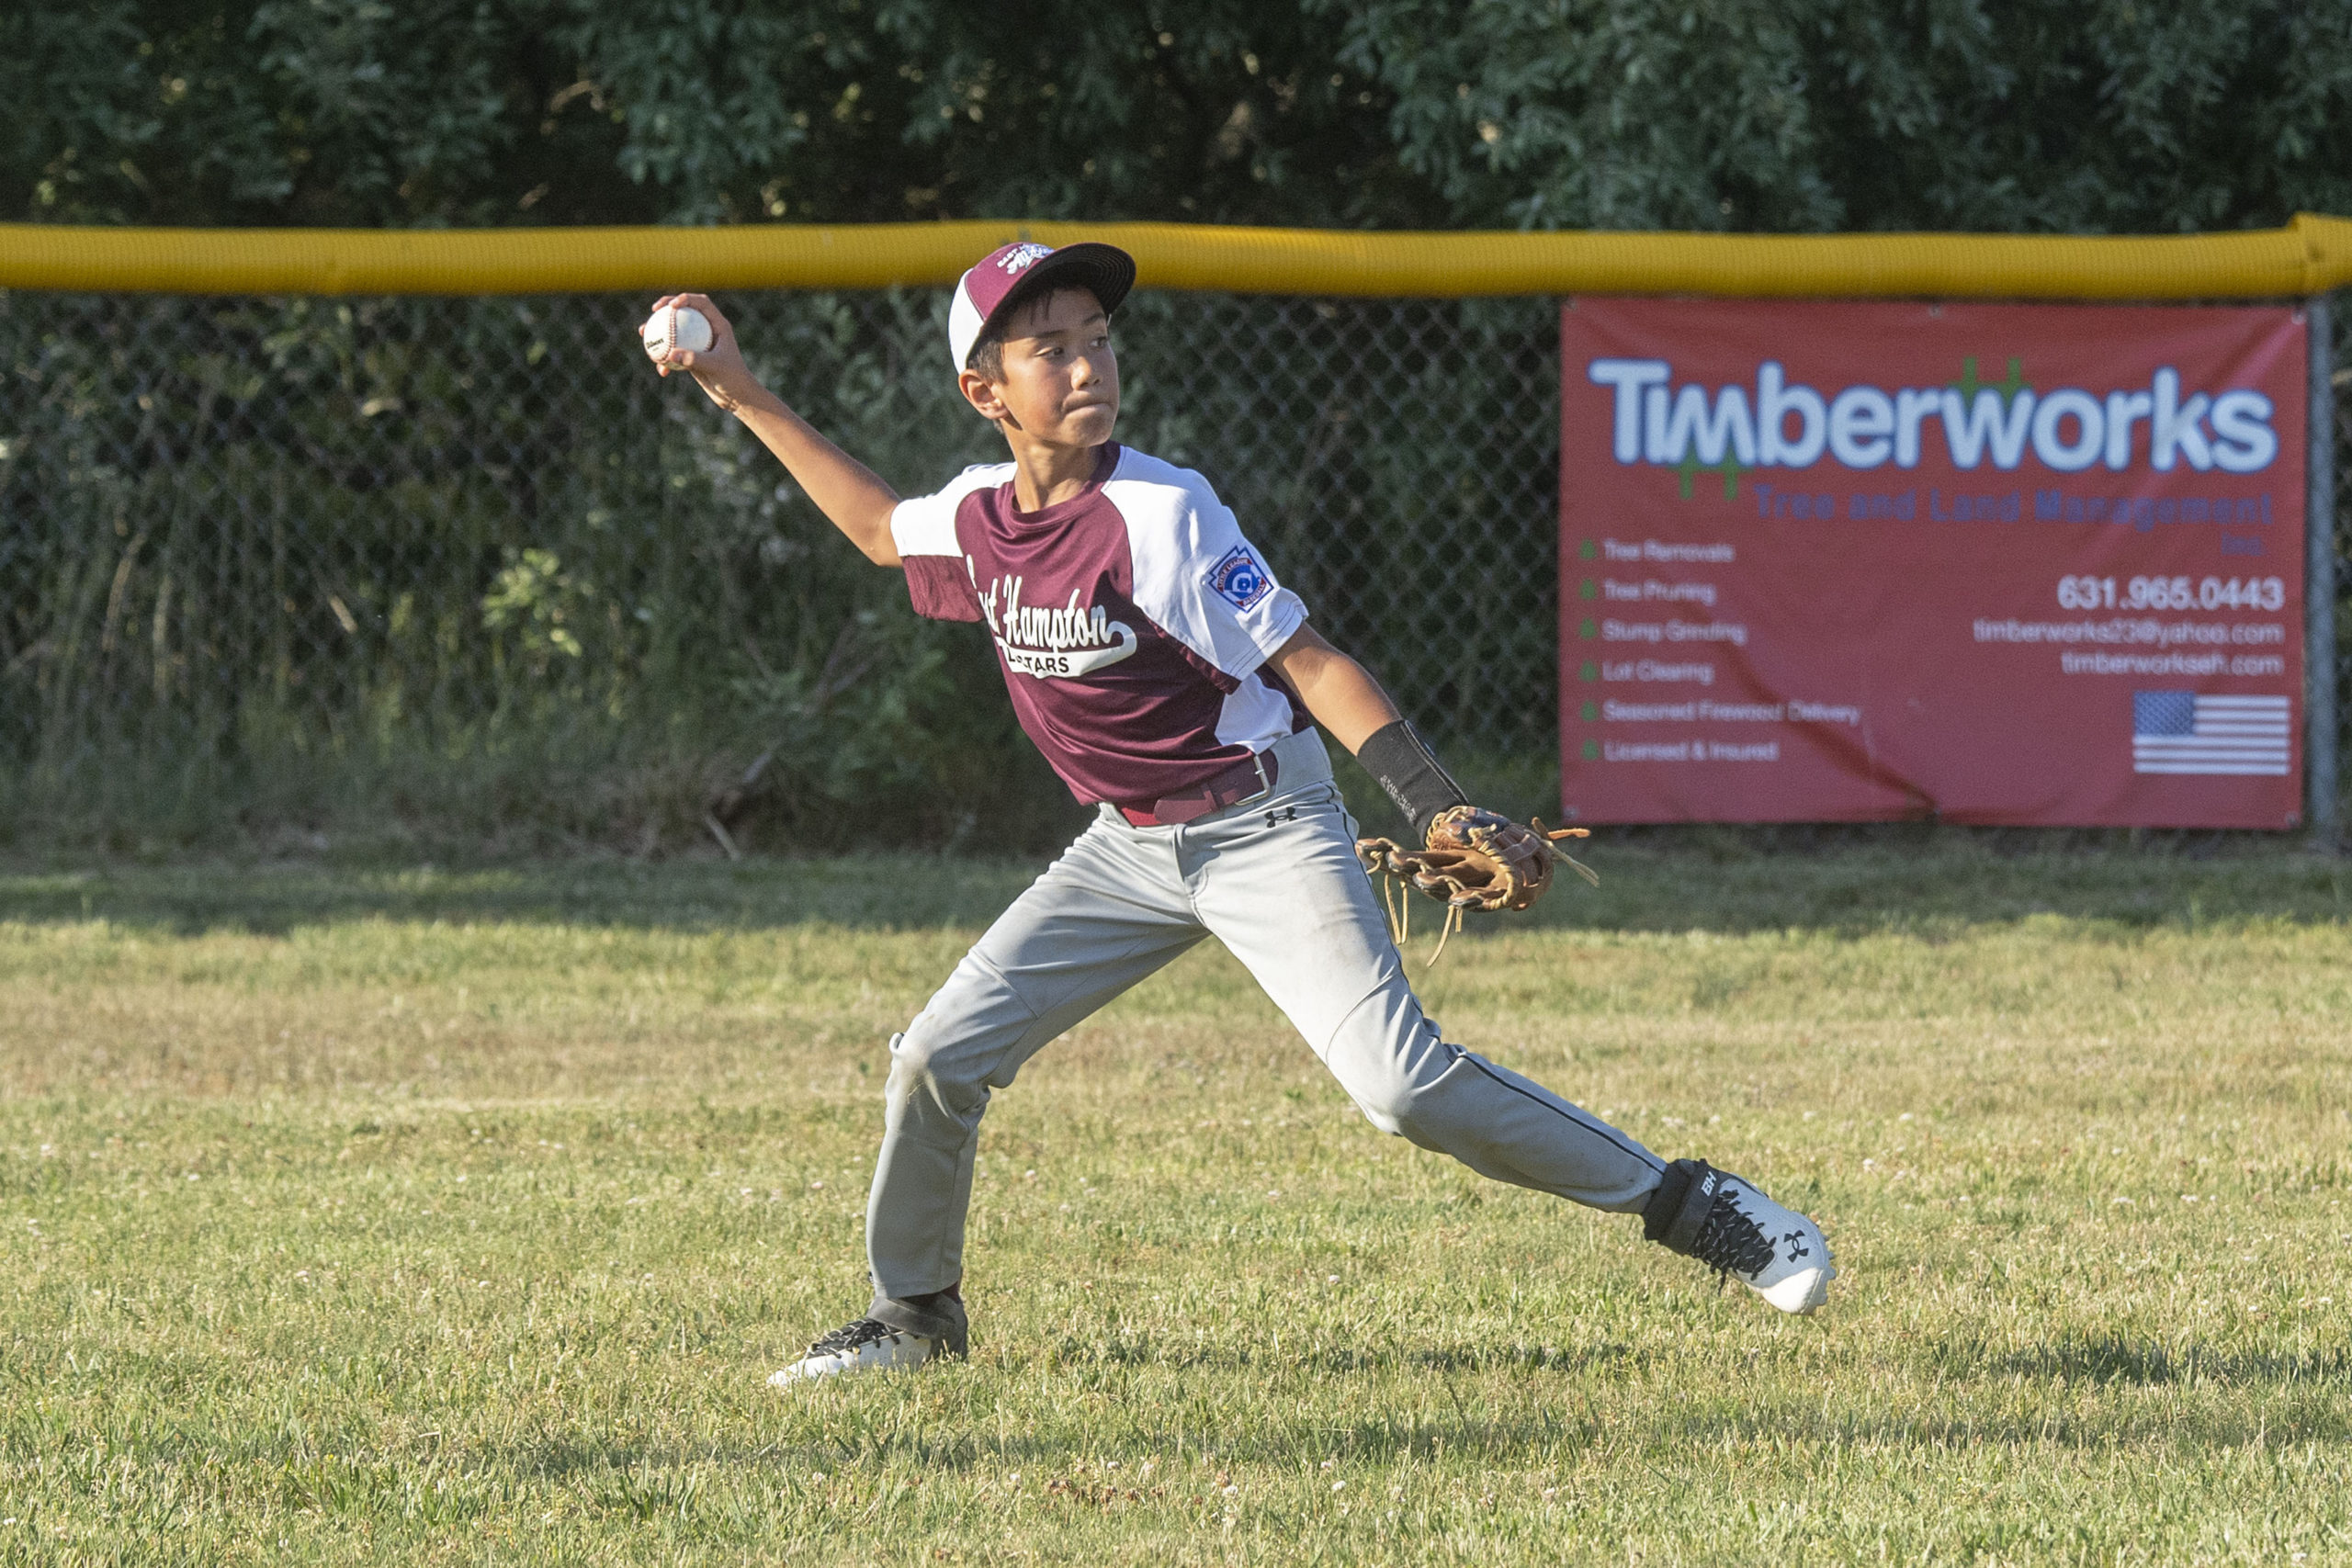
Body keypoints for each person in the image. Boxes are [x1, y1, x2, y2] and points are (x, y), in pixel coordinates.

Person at [642, 241, 1833, 1383]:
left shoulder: (1161, 514)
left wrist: (1438, 806)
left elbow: (1309, 662)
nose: (1085, 365)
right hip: (1128, 848)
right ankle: (913, 1315)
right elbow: (870, 526)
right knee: (939, 1056)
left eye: (1097, 340)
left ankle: (1695, 1206)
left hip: (1265, 826)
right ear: (983, 391)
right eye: (1048, 349)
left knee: (1401, 1087)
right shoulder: (981, 523)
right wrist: (735, 386)